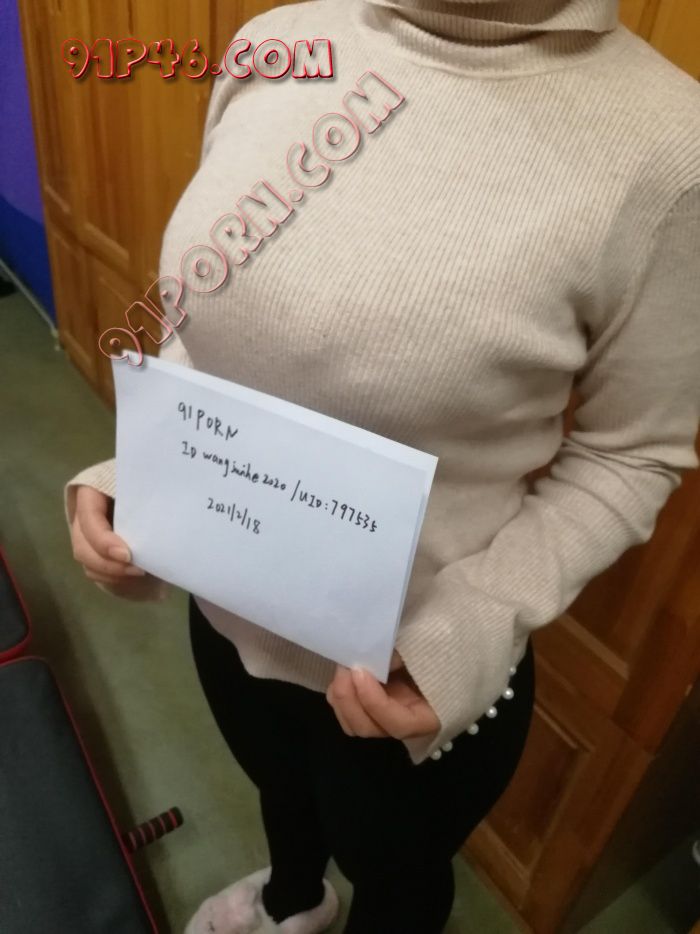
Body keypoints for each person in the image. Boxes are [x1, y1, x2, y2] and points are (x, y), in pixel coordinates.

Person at [66, 0, 700, 931]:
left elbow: (629, 454)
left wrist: (473, 627)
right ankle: (291, 901)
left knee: (397, 880)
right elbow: (207, 318)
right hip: (230, 605)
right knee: (281, 796)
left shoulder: (672, 151)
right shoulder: (277, 42)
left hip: (412, 671)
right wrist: (148, 475)